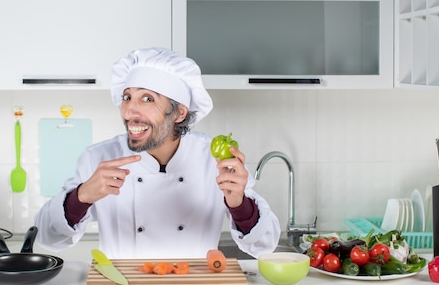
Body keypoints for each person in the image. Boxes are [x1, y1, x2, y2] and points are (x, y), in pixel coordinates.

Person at [34, 47, 280, 259]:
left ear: (179, 113)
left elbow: (264, 244)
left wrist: (238, 204)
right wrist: (81, 196)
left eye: (147, 99)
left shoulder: (214, 159)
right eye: (127, 97)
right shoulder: (99, 158)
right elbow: (47, 235)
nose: (129, 111)